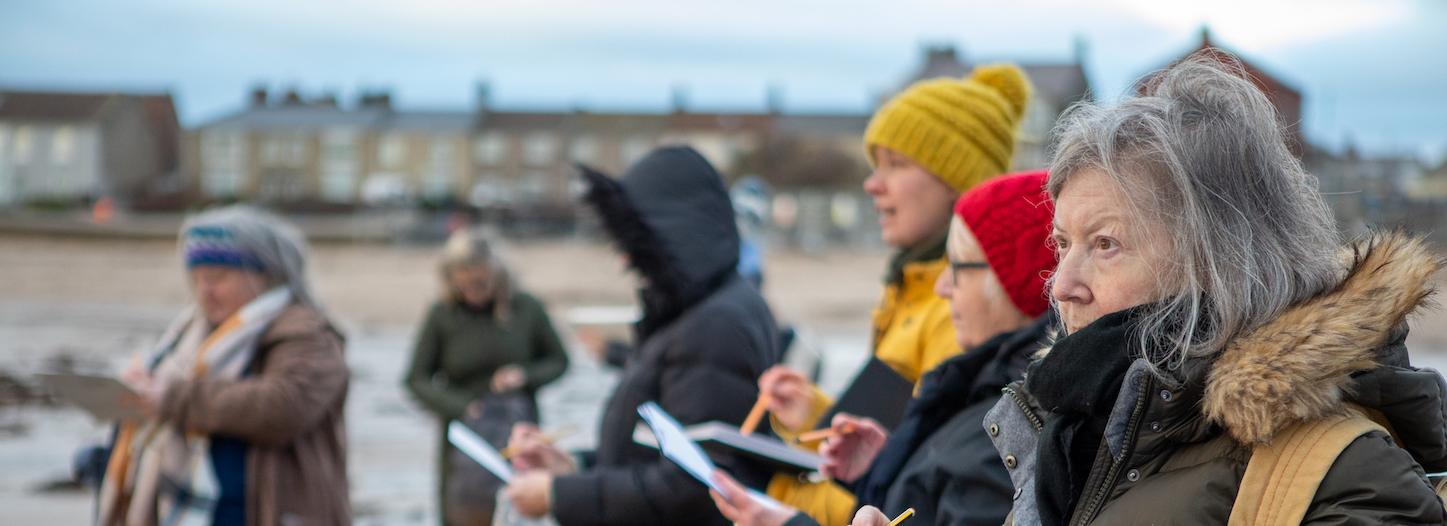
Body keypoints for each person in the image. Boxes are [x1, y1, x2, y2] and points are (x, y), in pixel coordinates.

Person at [986, 56, 1446, 524]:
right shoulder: (1075, 431)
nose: (1062, 285)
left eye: (1106, 244)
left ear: (1218, 260)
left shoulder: (1343, 476)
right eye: (1062, 243)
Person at [758, 64, 1035, 524]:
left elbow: (914, 494)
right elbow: (898, 446)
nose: (872, 183)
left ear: (958, 179)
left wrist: (784, 514)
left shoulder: (960, 314)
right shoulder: (911, 289)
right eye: (875, 165)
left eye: (896, 164)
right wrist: (817, 417)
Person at [712, 171, 1058, 526]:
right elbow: (922, 507)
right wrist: (881, 468)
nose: (942, 288)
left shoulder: (1010, 429)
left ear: (1017, 281)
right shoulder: (984, 392)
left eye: (956, 267)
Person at [502, 146, 781, 525]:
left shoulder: (715, 325)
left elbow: (697, 484)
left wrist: (560, 495)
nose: (625, 261)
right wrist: (572, 467)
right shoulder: (697, 308)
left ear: (675, 237)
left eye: (637, 244)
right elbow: (650, 452)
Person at [100, 205, 350, 526]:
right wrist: (141, 389)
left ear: (266, 274)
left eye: (217, 277)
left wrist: (173, 398)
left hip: (272, 511)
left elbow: (286, 404)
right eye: (197, 278)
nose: (204, 291)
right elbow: (167, 396)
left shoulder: (308, 332)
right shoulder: (192, 331)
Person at [404, 228, 570, 525]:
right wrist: (462, 405)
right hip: (464, 437)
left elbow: (559, 361)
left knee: (519, 511)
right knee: (462, 515)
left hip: (519, 431)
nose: (474, 293)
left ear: (497, 274)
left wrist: (525, 375)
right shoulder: (443, 314)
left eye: (481, 284)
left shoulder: (525, 307)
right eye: (464, 285)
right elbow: (416, 379)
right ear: (452, 279)